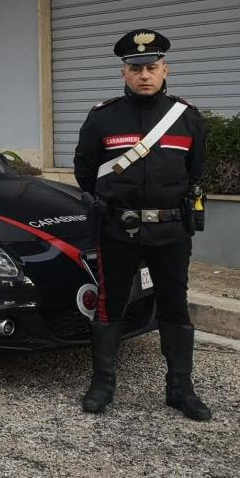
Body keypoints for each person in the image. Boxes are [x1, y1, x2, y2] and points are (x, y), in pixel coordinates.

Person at [73, 29, 210, 421]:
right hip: (119, 230)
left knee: (174, 307)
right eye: (136, 69)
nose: (144, 75)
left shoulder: (186, 118)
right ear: (124, 74)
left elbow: (195, 171)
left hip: (171, 232)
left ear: (166, 69)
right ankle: (102, 383)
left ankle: (180, 389)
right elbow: (85, 171)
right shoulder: (103, 117)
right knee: (110, 305)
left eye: (152, 67)